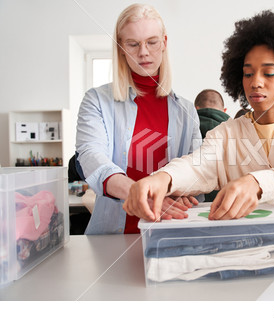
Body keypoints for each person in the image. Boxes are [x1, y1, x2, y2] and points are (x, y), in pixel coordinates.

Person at [123, 11, 274, 228]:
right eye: (248, 74)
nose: (255, 82)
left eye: (268, 73)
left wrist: (255, 183)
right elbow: (198, 166)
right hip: (254, 249)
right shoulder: (225, 133)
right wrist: (163, 179)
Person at [76, 4, 202, 235]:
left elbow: (198, 169)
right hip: (113, 236)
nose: (143, 52)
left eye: (152, 42)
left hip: (170, 231)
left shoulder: (185, 110)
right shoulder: (97, 101)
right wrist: (138, 193)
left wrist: (184, 190)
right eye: (133, 44)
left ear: (164, 43)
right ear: (121, 48)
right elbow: (91, 155)